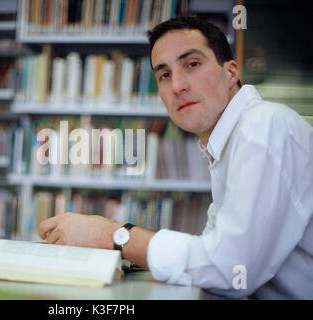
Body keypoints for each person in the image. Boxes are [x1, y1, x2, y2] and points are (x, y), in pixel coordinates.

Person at [38, 16, 313, 299]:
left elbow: (231, 271)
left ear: (230, 73)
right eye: (164, 75)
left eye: (192, 64)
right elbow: (208, 257)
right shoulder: (229, 145)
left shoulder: (263, 127)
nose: (178, 85)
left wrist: (113, 235)